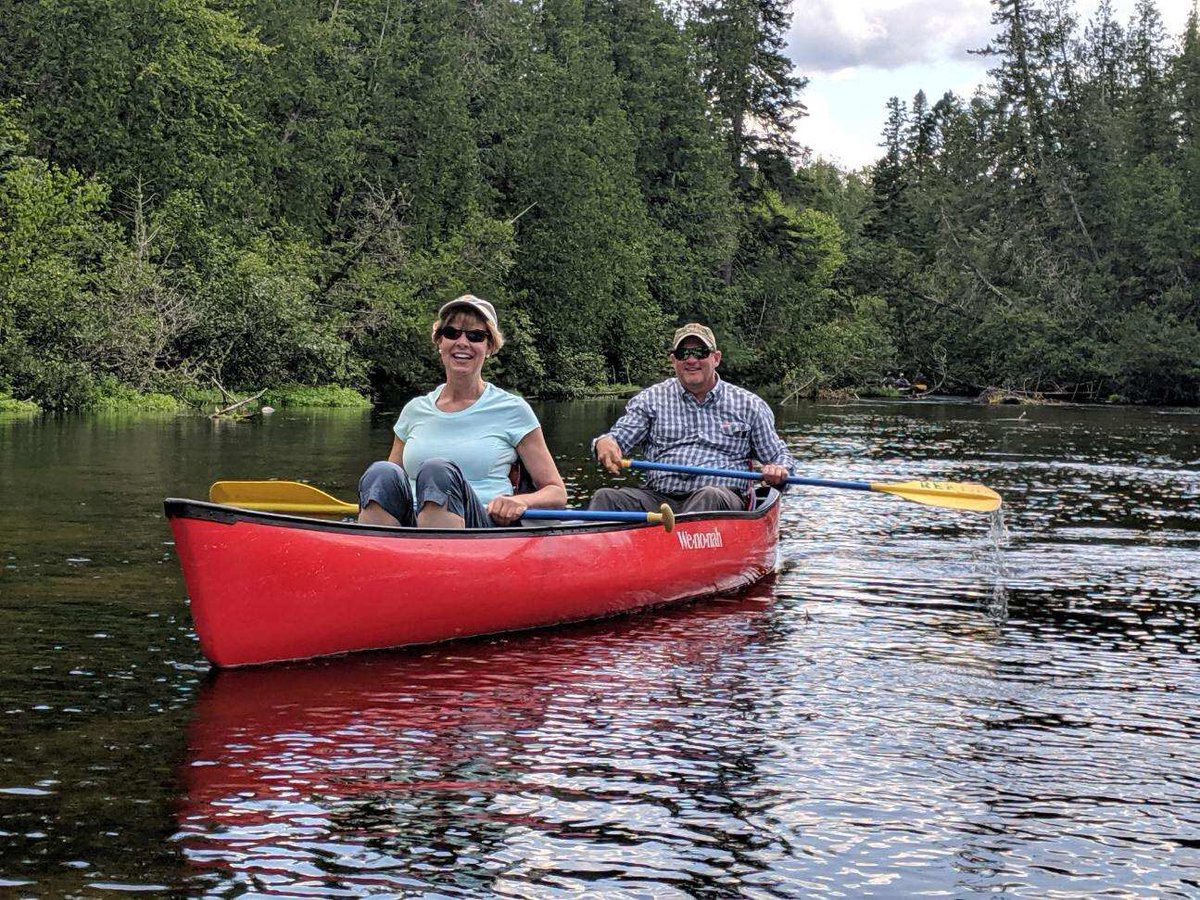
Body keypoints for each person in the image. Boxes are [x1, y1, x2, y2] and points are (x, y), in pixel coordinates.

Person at [358, 295, 567, 528]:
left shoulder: (513, 409)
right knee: (380, 473)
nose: (462, 342)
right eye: (452, 333)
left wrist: (521, 501)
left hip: (482, 524)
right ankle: (377, 545)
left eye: (475, 336)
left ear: (489, 347)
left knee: (438, 471)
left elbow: (556, 492)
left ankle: (438, 547)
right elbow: (391, 484)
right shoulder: (414, 410)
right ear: (440, 342)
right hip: (413, 523)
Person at [589, 323, 795, 514]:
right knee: (605, 497)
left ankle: (680, 538)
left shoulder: (750, 405)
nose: (691, 360)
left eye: (700, 353)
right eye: (683, 354)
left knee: (708, 496)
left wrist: (779, 469)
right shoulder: (649, 399)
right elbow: (618, 438)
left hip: (721, 500)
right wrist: (605, 442)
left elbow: (780, 456)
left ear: (716, 358)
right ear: (674, 361)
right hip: (659, 499)